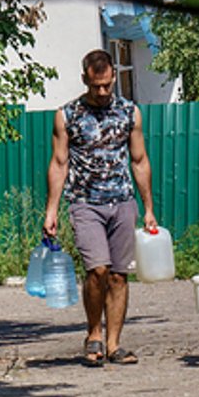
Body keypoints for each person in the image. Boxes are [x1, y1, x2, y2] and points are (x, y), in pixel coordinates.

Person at [43, 49, 158, 365]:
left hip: (122, 202)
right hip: (85, 203)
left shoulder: (128, 112)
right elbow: (59, 162)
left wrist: (148, 207)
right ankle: (93, 334)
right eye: (97, 86)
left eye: (108, 85)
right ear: (85, 80)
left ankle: (114, 344)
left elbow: (139, 160)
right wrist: (51, 210)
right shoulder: (67, 115)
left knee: (119, 276)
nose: (104, 92)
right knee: (98, 271)